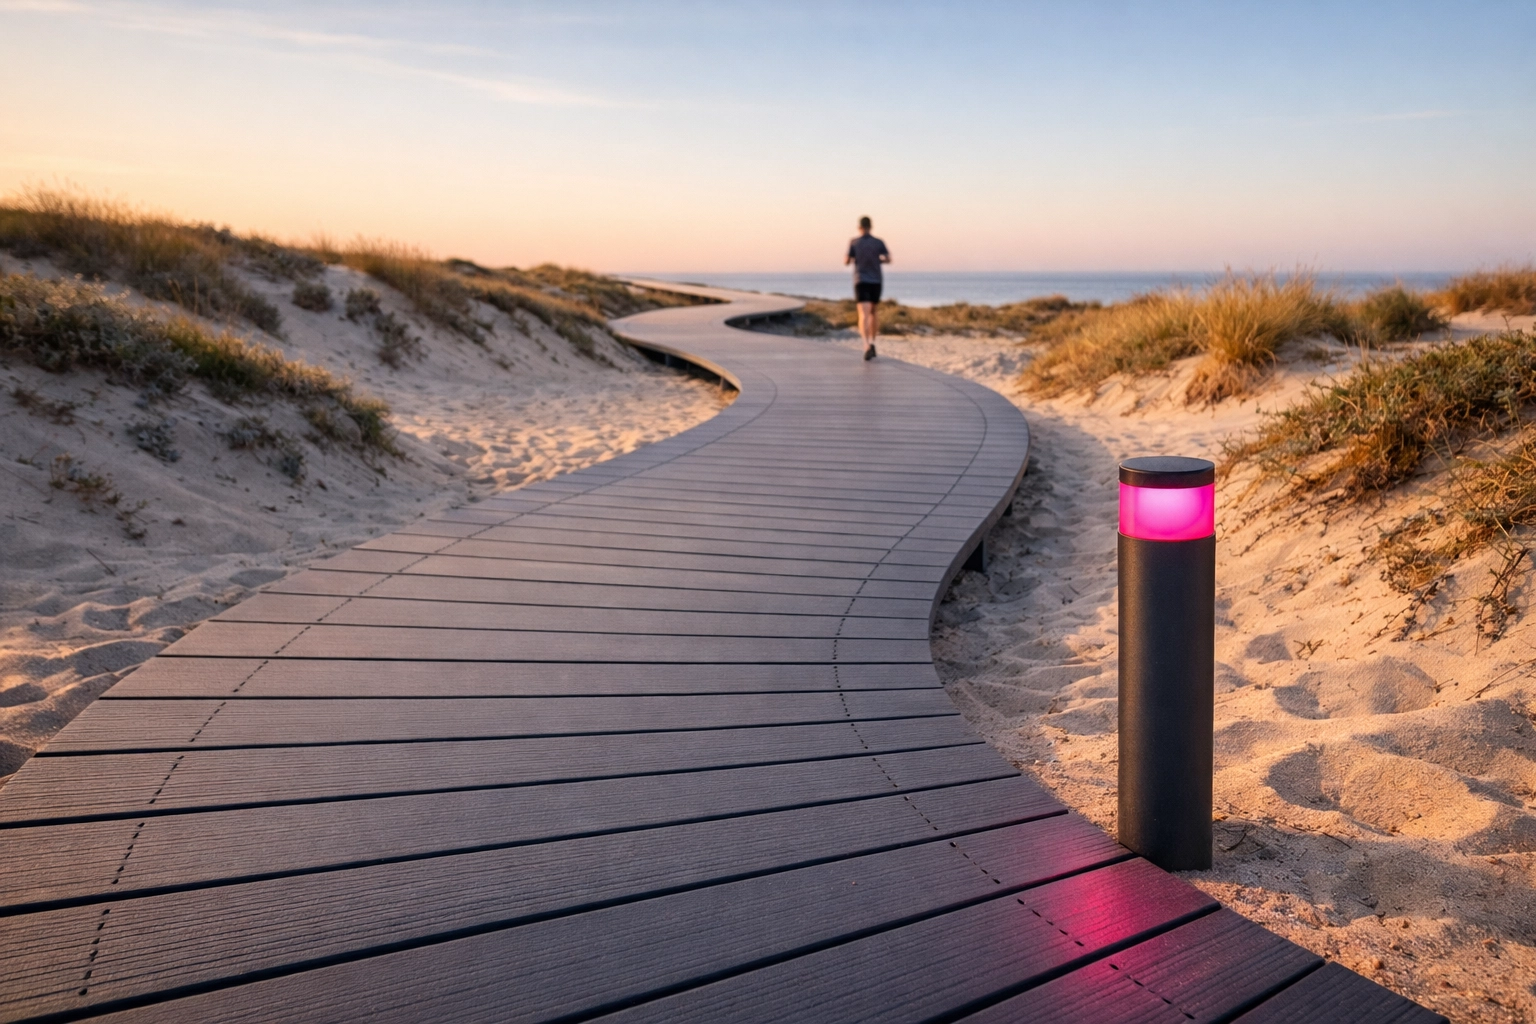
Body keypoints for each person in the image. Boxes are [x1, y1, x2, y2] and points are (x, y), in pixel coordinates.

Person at [845, 215, 890, 360]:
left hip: (861, 279)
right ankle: (872, 341)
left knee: (862, 313)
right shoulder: (878, 242)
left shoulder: (854, 242)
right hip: (876, 280)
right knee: (873, 312)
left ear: (859, 227)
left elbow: (846, 260)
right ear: (871, 227)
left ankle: (866, 345)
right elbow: (888, 259)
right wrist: (877, 260)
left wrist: (857, 259)